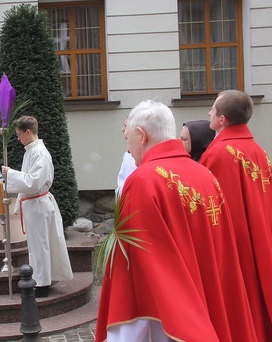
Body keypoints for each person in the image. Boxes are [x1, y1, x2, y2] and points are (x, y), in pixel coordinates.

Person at [96, 100, 257, 342]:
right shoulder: (205, 174)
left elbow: (140, 268)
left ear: (142, 135)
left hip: (169, 316)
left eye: (128, 140)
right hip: (205, 294)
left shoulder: (143, 181)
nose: (128, 150)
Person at [200, 89, 272, 341]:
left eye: (213, 109)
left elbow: (211, 206)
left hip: (237, 243)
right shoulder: (259, 151)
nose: (209, 112)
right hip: (263, 235)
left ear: (222, 119)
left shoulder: (218, 153)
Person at [1, 116, 73, 298]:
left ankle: (41, 284)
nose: (18, 138)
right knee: (39, 244)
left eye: (19, 134)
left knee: (40, 245)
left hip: (38, 204)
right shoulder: (31, 151)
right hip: (35, 204)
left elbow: (33, 182)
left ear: (28, 131)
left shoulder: (39, 152)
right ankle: (43, 279)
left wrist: (10, 174)